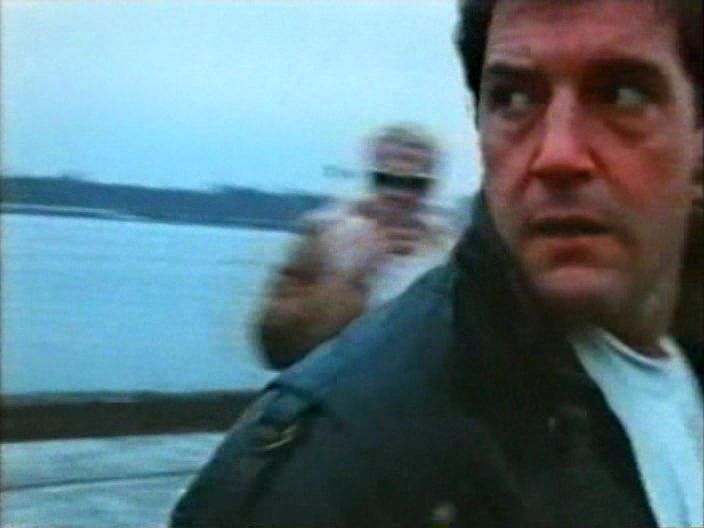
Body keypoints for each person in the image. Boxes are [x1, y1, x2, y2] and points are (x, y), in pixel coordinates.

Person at [171, 0, 703, 526]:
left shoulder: (441, 243)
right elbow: (278, 340)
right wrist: (346, 285)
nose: (556, 154)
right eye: (515, 99)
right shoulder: (315, 466)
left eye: (623, 95)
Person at [255, 123, 457, 369]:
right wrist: (347, 277)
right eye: (387, 179)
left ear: (431, 186)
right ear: (371, 177)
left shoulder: (447, 249)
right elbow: (276, 348)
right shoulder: (324, 234)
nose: (399, 194)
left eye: (414, 183)